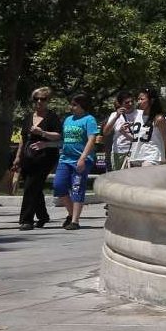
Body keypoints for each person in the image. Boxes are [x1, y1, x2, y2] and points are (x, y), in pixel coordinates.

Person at [10, 87, 62, 229]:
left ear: (47, 101)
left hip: (45, 156)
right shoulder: (28, 117)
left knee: (30, 187)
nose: (39, 102)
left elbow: (58, 136)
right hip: (28, 155)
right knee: (35, 187)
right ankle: (43, 216)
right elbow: (23, 138)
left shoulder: (52, 117)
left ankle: (26, 220)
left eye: (43, 99)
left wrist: (43, 133)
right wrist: (18, 157)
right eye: (36, 99)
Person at [56, 93, 99, 230]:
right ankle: (70, 213)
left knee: (77, 188)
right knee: (59, 186)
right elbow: (64, 139)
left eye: (75, 105)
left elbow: (92, 139)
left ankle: (75, 221)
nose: (72, 107)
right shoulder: (68, 119)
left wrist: (83, 158)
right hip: (65, 159)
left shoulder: (89, 119)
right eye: (72, 104)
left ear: (82, 106)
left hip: (81, 160)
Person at [126, 88, 166, 166]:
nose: (139, 102)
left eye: (142, 99)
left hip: (152, 156)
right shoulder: (137, 115)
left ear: (152, 100)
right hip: (136, 155)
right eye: (138, 99)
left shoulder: (159, 118)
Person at [102, 90, 136, 172]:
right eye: (127, 102)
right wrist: (117, 116)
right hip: (119, 151)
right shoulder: (114, 115)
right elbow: (106, 132)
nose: (130, 104)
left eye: (132, 101)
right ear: (120, 104)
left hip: (136, 151)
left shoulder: (139, 113)